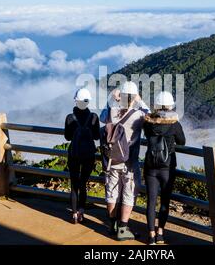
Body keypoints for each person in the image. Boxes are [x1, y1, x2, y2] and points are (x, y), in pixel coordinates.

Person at [100, 81, 150, 241]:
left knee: (112, 192)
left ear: (120, 95)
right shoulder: (138, 114)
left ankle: (112, 225)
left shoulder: (111, 111)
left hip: (111, 161)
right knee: (129, 193)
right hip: (130, 162)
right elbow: (150, 114)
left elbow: (102, 116)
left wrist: (111, 99)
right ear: (134, 97)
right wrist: (139, 100)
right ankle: (122, 229)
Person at [143, 91, 185, 245]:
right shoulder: (174, 124)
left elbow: (147, 135)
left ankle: (151, 235)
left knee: (151, 202)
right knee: (164, 201)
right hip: (167, 167)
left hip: (150, 166)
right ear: (170, 106)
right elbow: (182, 141)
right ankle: (160, 233)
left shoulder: (148, 123)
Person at [64, 88, 100, 224]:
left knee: (74, 184)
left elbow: (67, 137)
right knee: (83, 184)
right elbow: (96, 136)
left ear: (76, 101)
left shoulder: (69, 117)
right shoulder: (94, 117)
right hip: (89, 155)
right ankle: (81, 213)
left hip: (74, 154)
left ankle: (73, 214)